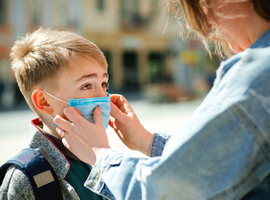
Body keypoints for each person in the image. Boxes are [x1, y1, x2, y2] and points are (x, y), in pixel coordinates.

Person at [54, 0, 270, 199]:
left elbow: (165, 190)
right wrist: (145, 141)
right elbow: (215, 162)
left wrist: (98, 152)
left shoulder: (257, 75)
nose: (208, 21)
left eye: (203, 4)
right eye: (86, 86)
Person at [0, 28, 110, 200]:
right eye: (87, 86)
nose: (103, 96)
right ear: (44, 101)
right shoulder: (27, 177)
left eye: (104, 83)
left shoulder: (102, 155)